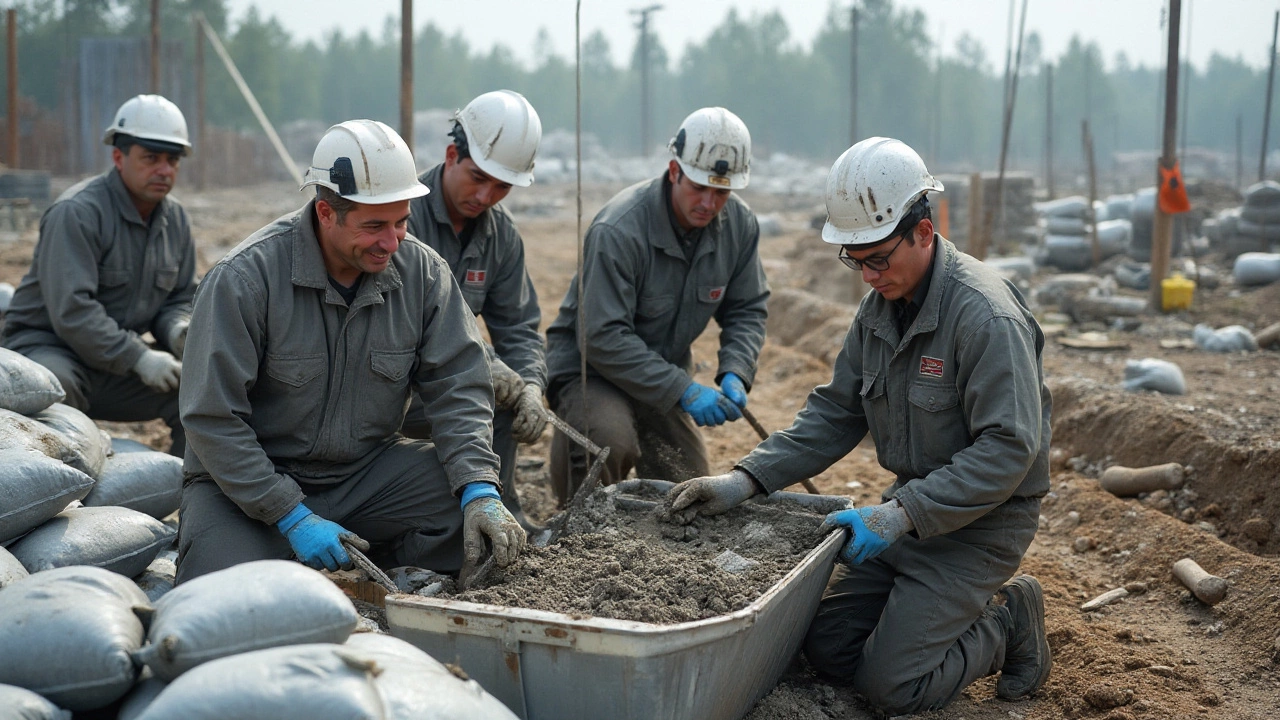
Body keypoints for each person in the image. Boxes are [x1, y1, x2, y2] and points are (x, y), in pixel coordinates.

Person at [667, 137, 1052, 714]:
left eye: (878, 258)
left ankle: (1007, 623)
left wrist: (901, 515)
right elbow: (835, 413)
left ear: (923, 232)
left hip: (980, 525)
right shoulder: (881, 309)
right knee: (825, 647)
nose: (868, 276)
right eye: (856, 260)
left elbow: (1007, 450)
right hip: (911, 513)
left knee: (889, 687)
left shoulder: (986, 318)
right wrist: (745, 479)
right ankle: (926, 614)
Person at [175, 120, 525, 584]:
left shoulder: (422, 274)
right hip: (247, 485)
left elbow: (459, 386)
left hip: (366, 476)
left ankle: (377, 566)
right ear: (325, 212)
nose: (392, 241)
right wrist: (289, 514)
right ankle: (298, 552)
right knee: (219, 588)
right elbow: (212, 418)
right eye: (374, 226)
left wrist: (480, 487)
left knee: (461, 512)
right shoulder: (243, 280)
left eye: (401, 222)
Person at [543, 106, 769, 503]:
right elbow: (601, 336)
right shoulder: (619, 229)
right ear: (674, 171)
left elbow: (746, 308)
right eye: (699, 187)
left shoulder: (740, 227)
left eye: (721, 192)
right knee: (609, 442)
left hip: (660, 375)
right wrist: (683, 390)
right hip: (591, 370)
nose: (709, 202)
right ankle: (578, 533)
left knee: (687, 484)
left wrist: (736, 369)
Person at [3, 94, 194, 456]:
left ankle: (189, 495)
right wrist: (138, 358)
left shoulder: (177, 221)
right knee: (55, 390)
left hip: (113, 360)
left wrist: (177, 330)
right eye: (151, 158)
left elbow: (179, 298)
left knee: (195, 392)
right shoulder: (77, 213)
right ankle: (65, 502)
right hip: (49, 347)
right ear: (118, 158)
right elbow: (72, 312)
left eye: (172, 160)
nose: (164, 170)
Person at [403, 90, 547, 532]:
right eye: (478, 177)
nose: (486, 196)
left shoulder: (502, 236)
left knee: (503, 395)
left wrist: (532, 386)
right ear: (451, 155)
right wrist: (487, 365)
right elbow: (412, 326)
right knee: (486, 385)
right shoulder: (401, 219)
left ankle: (498, 514)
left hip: (455, 384)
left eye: (501, 186)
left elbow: (519, 327)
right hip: (394, 388)